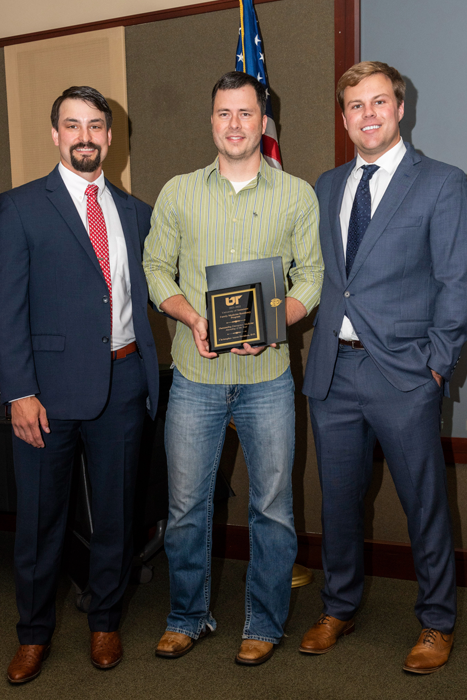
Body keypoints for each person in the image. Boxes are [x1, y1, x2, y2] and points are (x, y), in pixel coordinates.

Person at [143, 71, 323, 666]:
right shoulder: (177, 193)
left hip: (268, 378)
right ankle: (186, 616)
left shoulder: (296, 194)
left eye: (246, 113)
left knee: (272, 509)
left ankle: (263, 625)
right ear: (211, 120)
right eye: (224, 113)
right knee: (186, 508)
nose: (235, 124)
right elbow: (156, 271)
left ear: (264, 121)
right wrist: (189, 315)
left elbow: (313, 277)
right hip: (195, 378)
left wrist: (276, 323)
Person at [301, 61, 467, 673]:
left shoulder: (443, 183)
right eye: (355, 106)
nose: (367, 115)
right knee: (338, 501)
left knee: (424, 502)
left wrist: (435, 365)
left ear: (400, 109)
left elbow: (456, 284)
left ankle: (436, 621)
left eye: (378, 103)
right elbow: (322, 280)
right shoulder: (325, 185)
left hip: (404, 374)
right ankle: (339, 607)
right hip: (333, 373)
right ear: (344, 118)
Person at [0, 86, 159, 683]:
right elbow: (6, 309)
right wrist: (18, 392)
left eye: (96, 125)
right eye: (73, 125)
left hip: (121, 382)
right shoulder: (18, 208)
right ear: (55, 134)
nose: (85, 136)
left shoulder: (134, 210)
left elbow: (155, 291)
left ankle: (105, 622)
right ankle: (34, 634)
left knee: (116, 517)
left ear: (110, 137)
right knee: (40, 521)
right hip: (44, 394)